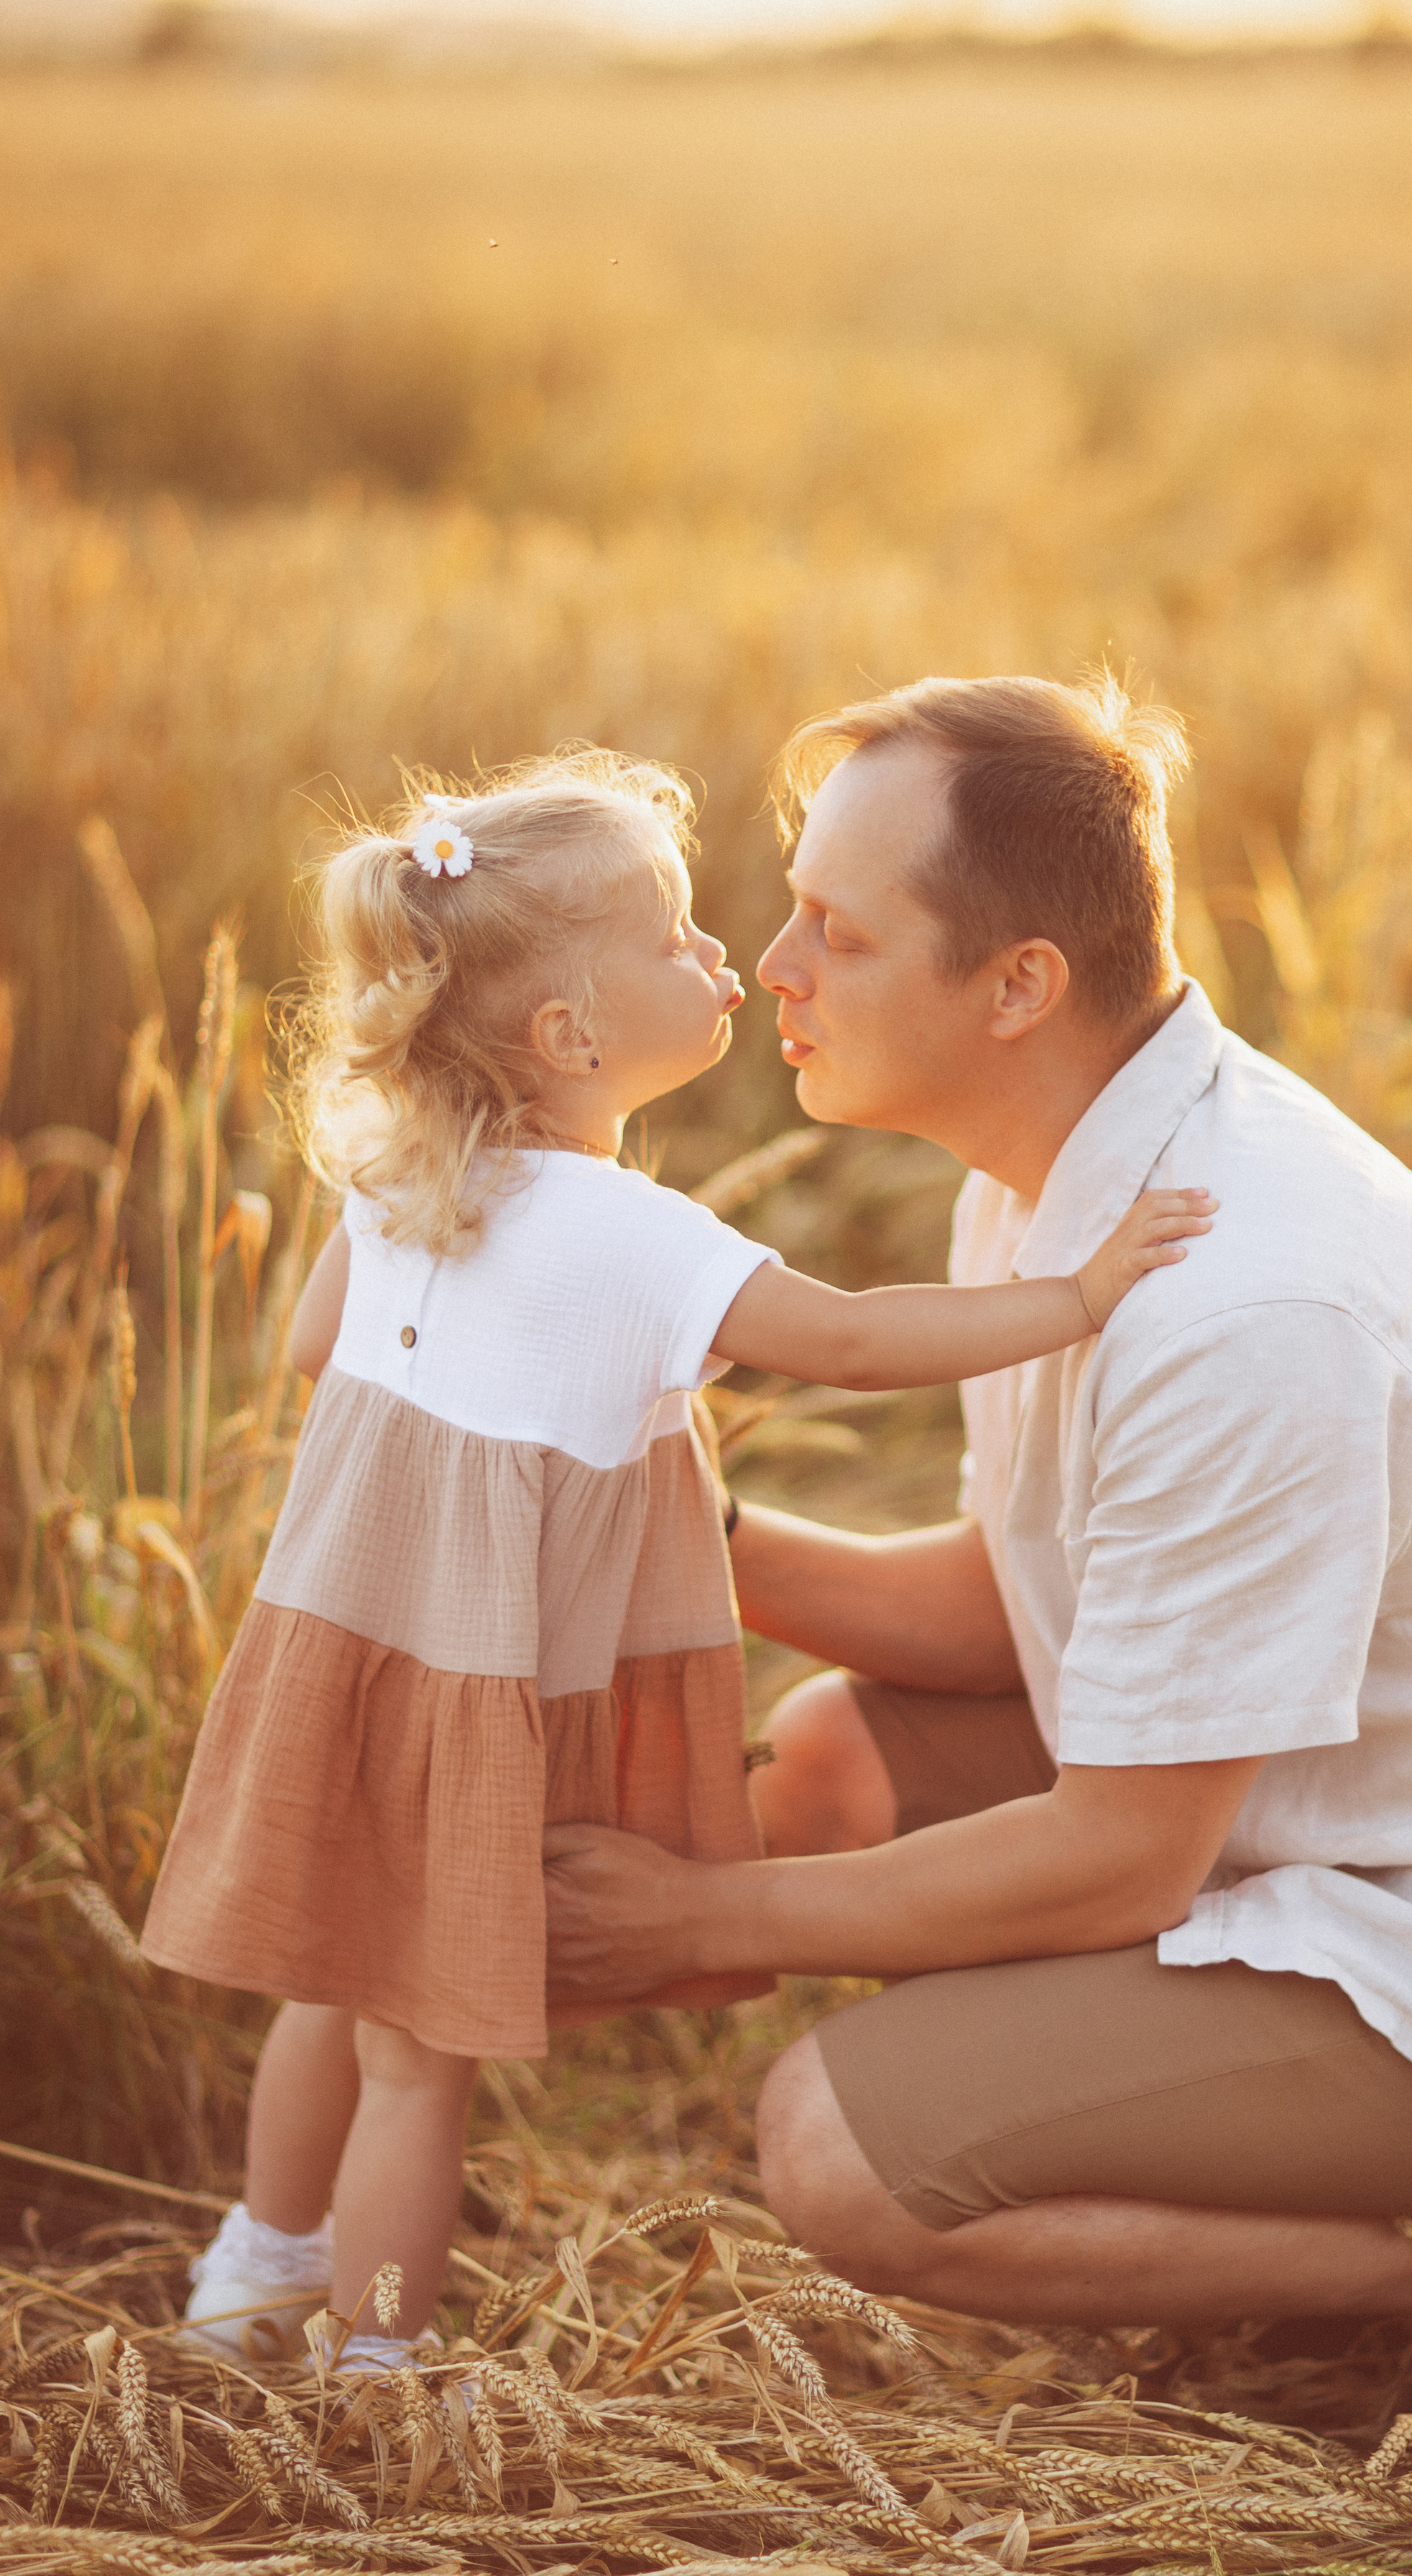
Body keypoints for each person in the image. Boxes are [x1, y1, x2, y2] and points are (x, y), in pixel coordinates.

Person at [570, 673, 1412, 2411]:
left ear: (1017, 987)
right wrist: (684, 1528)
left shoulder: (1244, 1301)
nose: (773, 966)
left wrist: (698, 1911)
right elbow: (1027, 1602)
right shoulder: (1056, 1164)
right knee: (831, 1753)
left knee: (836, 2149)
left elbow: (1119, 1858)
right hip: (1354, 1818)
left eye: (834, 930)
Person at [143, 749, 1211, 2373]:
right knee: (422, 2063)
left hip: (337, 1640)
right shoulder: (634, 1240)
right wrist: (1074, 1299)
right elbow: (850, 1343)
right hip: (477, 1684)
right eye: (677, 940)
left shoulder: (396, 1175)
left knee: (332, 1984)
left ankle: (253, 2271)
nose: (729, 961)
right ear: (571, 1038)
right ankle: (375, 2361)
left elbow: (313, 1348)